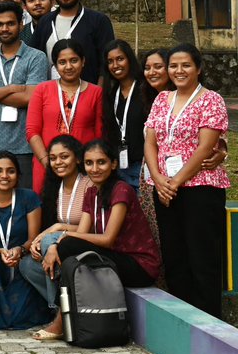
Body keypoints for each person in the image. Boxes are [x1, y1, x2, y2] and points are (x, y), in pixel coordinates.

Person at [31, 139, 160, 340]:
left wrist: (58, 241)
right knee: (70, 250)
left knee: (68, 245)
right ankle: (65, 316)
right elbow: (82, 234)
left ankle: (60, 321)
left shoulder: (121, 189)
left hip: (138, 265)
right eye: (89, 163)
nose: (95, 168)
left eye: (101, 162)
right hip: (111, 259)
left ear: (113, 164)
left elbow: (107, 239)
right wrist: (60, 242)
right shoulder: (92, 192)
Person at [144, 43, 229, 318]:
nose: (179, 71)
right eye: (174, 66)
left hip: (200, 187)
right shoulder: (162, 99)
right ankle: (183, 320)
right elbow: (150, 142)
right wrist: (159, 180)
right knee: (175, 258)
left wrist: (175, 181)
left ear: (198, 68)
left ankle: (208, 323)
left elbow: (206, 147)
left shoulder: (210, 99)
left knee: (202, 258)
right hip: (165, 190)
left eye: (186, 65)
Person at [0, 2, 48, 190]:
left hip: (26, 146)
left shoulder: (36, 57)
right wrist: (11, 88)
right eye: (0, 24)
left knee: (26, 202)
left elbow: (28, 98)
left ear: (21, 24)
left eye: (10, 23)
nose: (5, 28)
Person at [0, 151, 48, 330]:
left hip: (21, 260)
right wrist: (3, 252)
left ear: (18, 175)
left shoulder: (29, 197)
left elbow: (33, 239)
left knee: (17, 317)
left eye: (10, 171)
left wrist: (19, 250)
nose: (4, 176)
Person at [18, 135, 89, 323]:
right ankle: (60, 307)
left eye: (64, 157)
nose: (58, 162)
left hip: (87, 243)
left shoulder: (88, 184)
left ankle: (59, 318)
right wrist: (37, 241)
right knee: (26, 265)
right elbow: (52, 227)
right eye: (53, 158)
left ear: (78, 158)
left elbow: (92, 228)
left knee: (50, 240)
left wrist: (55, 237)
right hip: (65, 245)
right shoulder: (54, 187)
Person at [26, 39, 103, 190]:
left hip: (84, 167)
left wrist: (90, 163)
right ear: (55, 65)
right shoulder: (42, 90)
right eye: (62, 62)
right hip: (47, 165)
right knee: (47, 209)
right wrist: (48, 162)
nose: (68, 66)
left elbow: (99, 133)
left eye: (74, 60)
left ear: (83, 61)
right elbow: (32, 131)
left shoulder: (96, 92)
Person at [30, 0, 116, 84]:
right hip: (51, 95)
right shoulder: (45, 22)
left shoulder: (98, 21)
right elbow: (31, 56)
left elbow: (106, 63)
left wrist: (97, 96)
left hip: (87, 95)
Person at [102, 40, 151, 189]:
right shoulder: (111, 93)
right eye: (110, 61)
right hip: (119, 168)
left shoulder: (146, 89)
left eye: (120, 59)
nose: (115, 65)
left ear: (129, 59)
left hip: (144, 166)